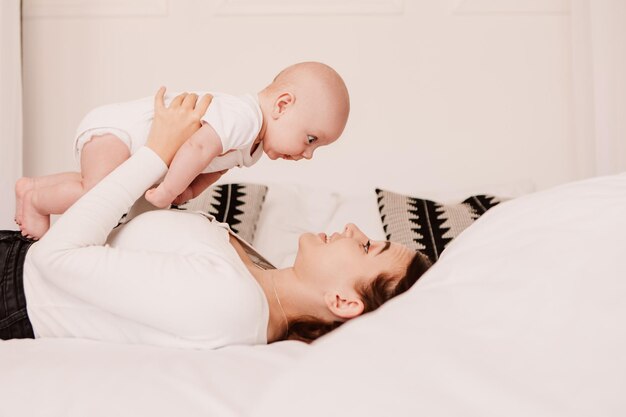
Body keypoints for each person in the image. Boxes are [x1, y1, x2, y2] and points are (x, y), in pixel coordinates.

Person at [0, 89, 431, 347]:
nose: (355, 230)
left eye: (368, 246)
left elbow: (52, 260)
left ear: (342, 302)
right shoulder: (257, 273)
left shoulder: (234, 303)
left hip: (14, 282)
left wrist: (156, 151)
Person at [15, 61, 351, 239]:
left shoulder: (253, 145)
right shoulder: (244, 116)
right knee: (99, 194)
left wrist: (189, 190)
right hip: (121, 131)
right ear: (282, 105)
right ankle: (34, 196)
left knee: (103, 194)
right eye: (311, 139)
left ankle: (39, 191)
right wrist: (168, 190)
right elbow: (198, 145)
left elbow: (214, 166)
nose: (308, 154)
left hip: (133, 147)